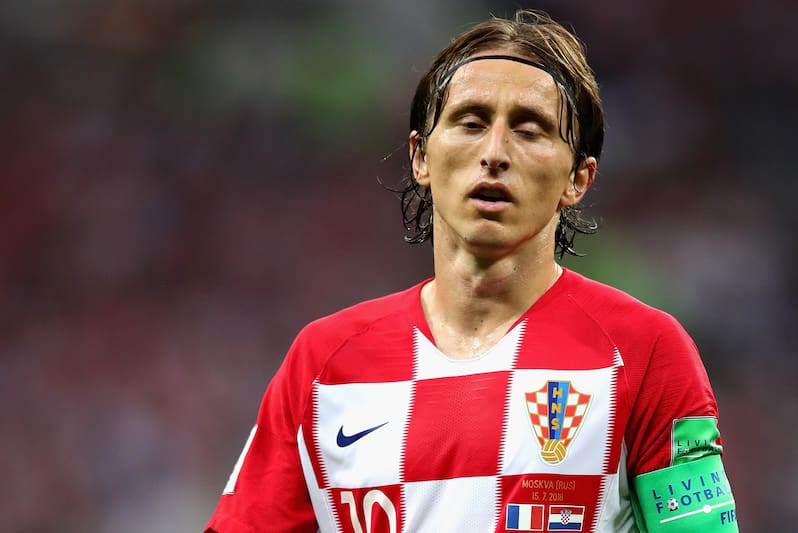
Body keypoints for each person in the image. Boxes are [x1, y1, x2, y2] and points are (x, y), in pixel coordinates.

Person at [205, 9, 738, 533]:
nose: (494, 152)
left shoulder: (645, 352)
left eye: (529, 130)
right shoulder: (325, 364)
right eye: (471, 122)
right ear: (420, 158)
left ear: (578, 178)